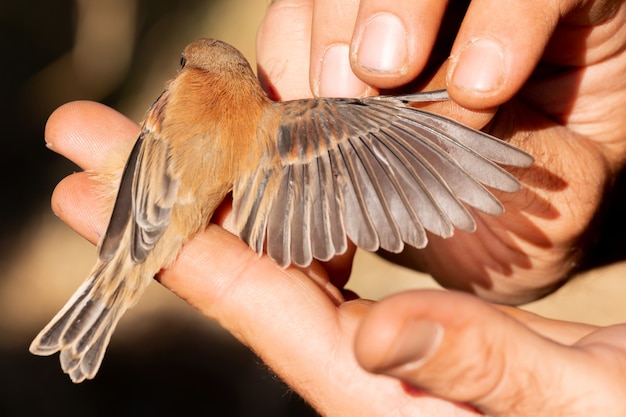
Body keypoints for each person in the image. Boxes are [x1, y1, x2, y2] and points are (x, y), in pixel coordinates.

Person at [45, 0, 626, 415]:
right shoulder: (282, 122)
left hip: (142, 213)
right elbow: (384, 136)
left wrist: (140, 230)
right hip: (167, 220)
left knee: (117, 259)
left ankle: (94, 311)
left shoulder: (182, 93)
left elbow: (150, 153)